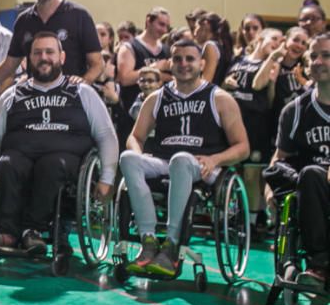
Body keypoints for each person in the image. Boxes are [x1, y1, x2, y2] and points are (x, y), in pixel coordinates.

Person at [0, 33, 118, 253]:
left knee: (51, 165)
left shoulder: (82, 92)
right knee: (7, 163)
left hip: (65, 161)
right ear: (28, 59)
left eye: (50, 52)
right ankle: (7, 232)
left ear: (61, 57)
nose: (44, 57)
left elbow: (106, 135)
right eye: (38, 53)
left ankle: (34, 230)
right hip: (20, 156)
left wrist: (107, 177)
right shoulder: (13, 94)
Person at [119, 39, 249, 276]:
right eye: (177, 59)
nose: (183, 64)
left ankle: (171, 243)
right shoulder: (157, 97)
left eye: (190, 59)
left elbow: (242, 147)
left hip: (203, 165)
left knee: (181, 159)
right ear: (170, 63)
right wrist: (138, 156)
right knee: (128, 158)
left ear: (201, 63)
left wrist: (215, 160)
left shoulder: (218, 97)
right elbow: (135, 137)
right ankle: (148, 241)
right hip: (164, 161)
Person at [270, 34, 330, 285]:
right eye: (313, 56)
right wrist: (268, 191)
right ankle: (320, 265)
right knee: (311, 173)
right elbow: (280, 158)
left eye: (325, 55)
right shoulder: (294, 111)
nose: (317, 61)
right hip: (315, 187)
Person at [224, 28, 284, 231]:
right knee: (235, 171)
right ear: (260, 38)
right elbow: (224, 87)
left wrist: (273, 57)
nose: (278, 43)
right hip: (233, 121)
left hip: (256, 124)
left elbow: (258, 84)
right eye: (274, 38)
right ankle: (236, 214)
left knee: (252, 175)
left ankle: (250, 222)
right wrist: (226, 84)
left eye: (281, 41)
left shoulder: (272, 64)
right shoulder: (239, 60)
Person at [116, 7, 172, 143]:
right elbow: (125, 78)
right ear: (148, 21)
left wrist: (163, 76)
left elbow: (173, 79)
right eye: (161, 24)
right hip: (133, 115)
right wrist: (154, 68)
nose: (164, 30)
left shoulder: (166, 50)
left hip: (159, 116)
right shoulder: (130, 47)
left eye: (167, 27)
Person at [193, 12, 233, 85]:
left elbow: (206, 81)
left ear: (205, 25)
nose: (194, 32)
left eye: (196, 27)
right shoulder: (221, 46)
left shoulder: (210, 46)